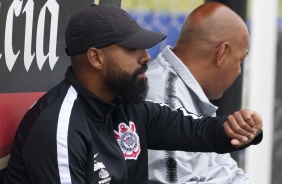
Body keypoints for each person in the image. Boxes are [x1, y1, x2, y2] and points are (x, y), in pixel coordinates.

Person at [5, 4, 262, 184]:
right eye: (132, 49)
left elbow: (203, 132)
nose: (146, 57)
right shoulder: (59, 127)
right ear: (96, 58)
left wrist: (243, 128)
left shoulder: (128, 106)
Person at [147, 2, 256, 184]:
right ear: (222, 53)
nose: (238, 71)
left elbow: (229, 173)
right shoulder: (166, 98)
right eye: (240, 60)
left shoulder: (191, 95)